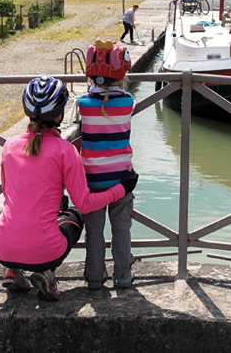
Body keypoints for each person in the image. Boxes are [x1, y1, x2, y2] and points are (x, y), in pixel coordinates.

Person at [0, 75, 139, 301]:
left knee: (21, 215)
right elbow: (85, 203)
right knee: (75, 214)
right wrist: (121, 189)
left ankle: (13, 270)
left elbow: (8, 192)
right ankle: (45, 272)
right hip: (45, 251)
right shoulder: (65, 150)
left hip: (0, 247)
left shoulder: (9, 146)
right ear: (59, 115)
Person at [80, 39, 136, 289]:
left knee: (94, 231)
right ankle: (123, 275)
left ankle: (94, 278)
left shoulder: (83, 104)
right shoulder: (128, 102)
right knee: (121, 229)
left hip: (91, 180)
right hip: (122, 180)